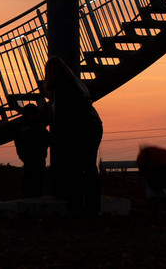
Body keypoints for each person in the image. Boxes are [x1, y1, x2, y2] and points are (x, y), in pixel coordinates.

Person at [43, 55, 103, 215]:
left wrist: (57, 137)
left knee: (77, 167)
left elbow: (62, 117)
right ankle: (92, 205)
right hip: (93, 126)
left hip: (82, 129)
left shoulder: (62, 88)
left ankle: (78, 203)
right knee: (89, 166)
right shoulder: (76, 83)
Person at [14, 103, 50, 197]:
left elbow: (18, 143)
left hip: (34, 158)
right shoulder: (37, 127)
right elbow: (48, 140)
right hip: (34, 158)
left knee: (33, 178)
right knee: (34, 178)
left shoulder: (23, 128)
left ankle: (31, 194)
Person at [136, 145, 166, 219]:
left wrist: (145, 176)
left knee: (151, 188)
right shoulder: (155, 151)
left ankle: (155, 211)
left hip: (160, 168)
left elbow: (143, 169)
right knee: (160, 188)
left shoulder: (143, 155)